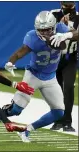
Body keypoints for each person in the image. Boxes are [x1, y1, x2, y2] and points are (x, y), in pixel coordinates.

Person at [0, 11, 70, 142]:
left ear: (54, 26)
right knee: (16, 110)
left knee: (59, 112)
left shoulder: (61, 29)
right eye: (42, 30)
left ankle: (27, 130)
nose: (45, 33)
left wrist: (66, 35)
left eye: (48, 29)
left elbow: (75, 35)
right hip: (33, 75)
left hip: (50, 77)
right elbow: (19, 53)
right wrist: (10, 62)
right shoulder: (32, 37)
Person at [50, 1, 79, 132]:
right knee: (55, 90)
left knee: (68, 87)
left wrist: (67, 31)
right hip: (54, 58)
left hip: (70, 58)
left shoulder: (78, 16)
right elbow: (46, 34)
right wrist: (59, 26)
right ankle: (57, 120)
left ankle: (67, 121)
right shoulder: (53, 14)